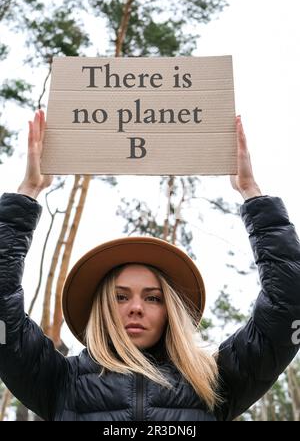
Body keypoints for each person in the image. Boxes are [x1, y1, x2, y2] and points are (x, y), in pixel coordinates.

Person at [0, 110, 299, 422]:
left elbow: (288, 306)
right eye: (120, 296)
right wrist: (28, 193)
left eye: (153, 297)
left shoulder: (214, 381)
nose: (136, 308)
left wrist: (252, 194)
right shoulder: (60, 382)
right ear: (102, 307)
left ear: (170, 309)